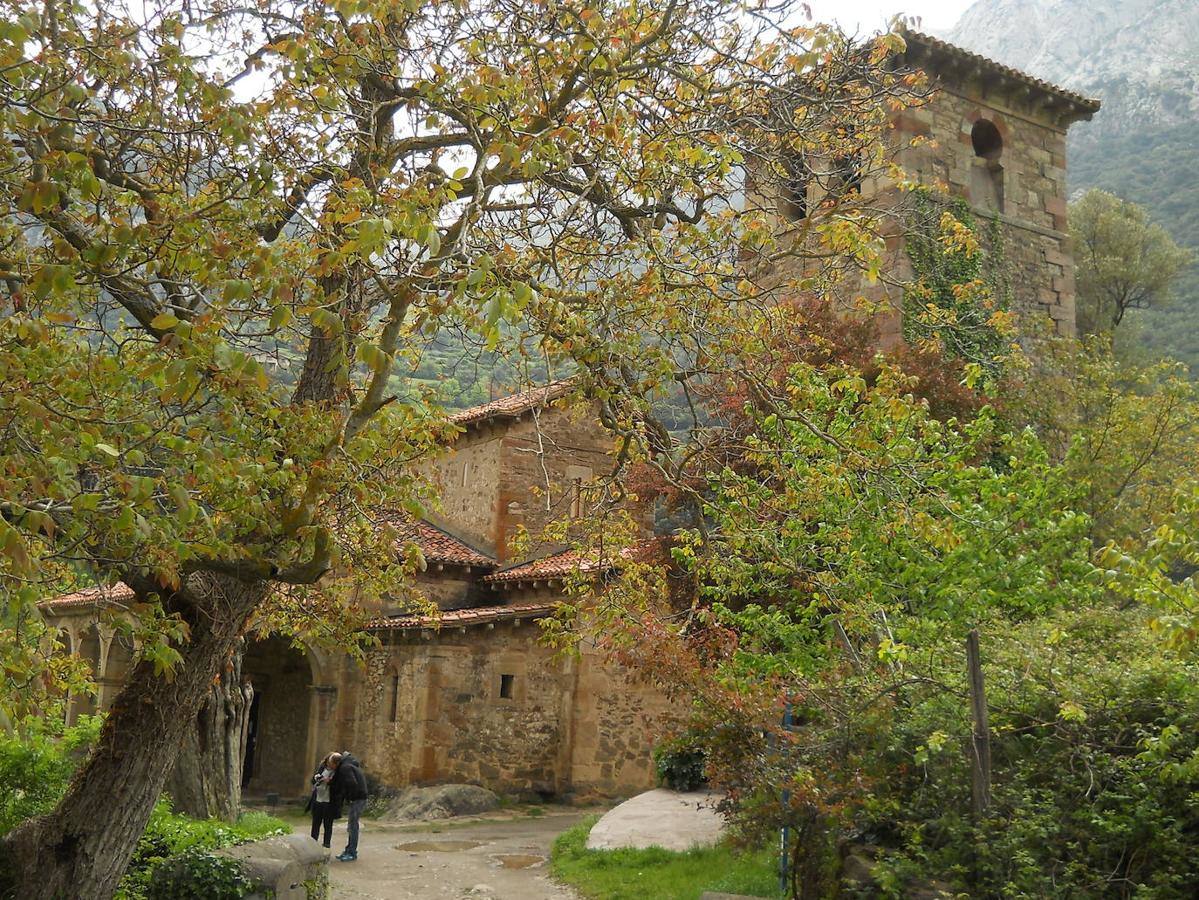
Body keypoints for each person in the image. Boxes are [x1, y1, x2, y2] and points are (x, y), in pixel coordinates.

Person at [331, 749, 368, 862]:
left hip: (357, 799)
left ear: (335, 763)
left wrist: (350, 798)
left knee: (353, 826)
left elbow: (352, 783)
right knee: (351, 825)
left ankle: (352, 852)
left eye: (331, 764)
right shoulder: (349, 765)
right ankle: (349, 850)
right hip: (359, 798)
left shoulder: (345, 768)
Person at [307, 752, 340, 849]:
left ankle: (326, 845)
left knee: (328, 825)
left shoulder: (339, 772)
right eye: (329, 763)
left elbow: (338, 787)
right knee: (315, 823)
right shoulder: (322, 768)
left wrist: (329, 782)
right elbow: (313, 780)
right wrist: (317, 778)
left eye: (332, 764)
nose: (330, 765)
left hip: (329, 801)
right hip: (318, 799)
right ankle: (313, 844)